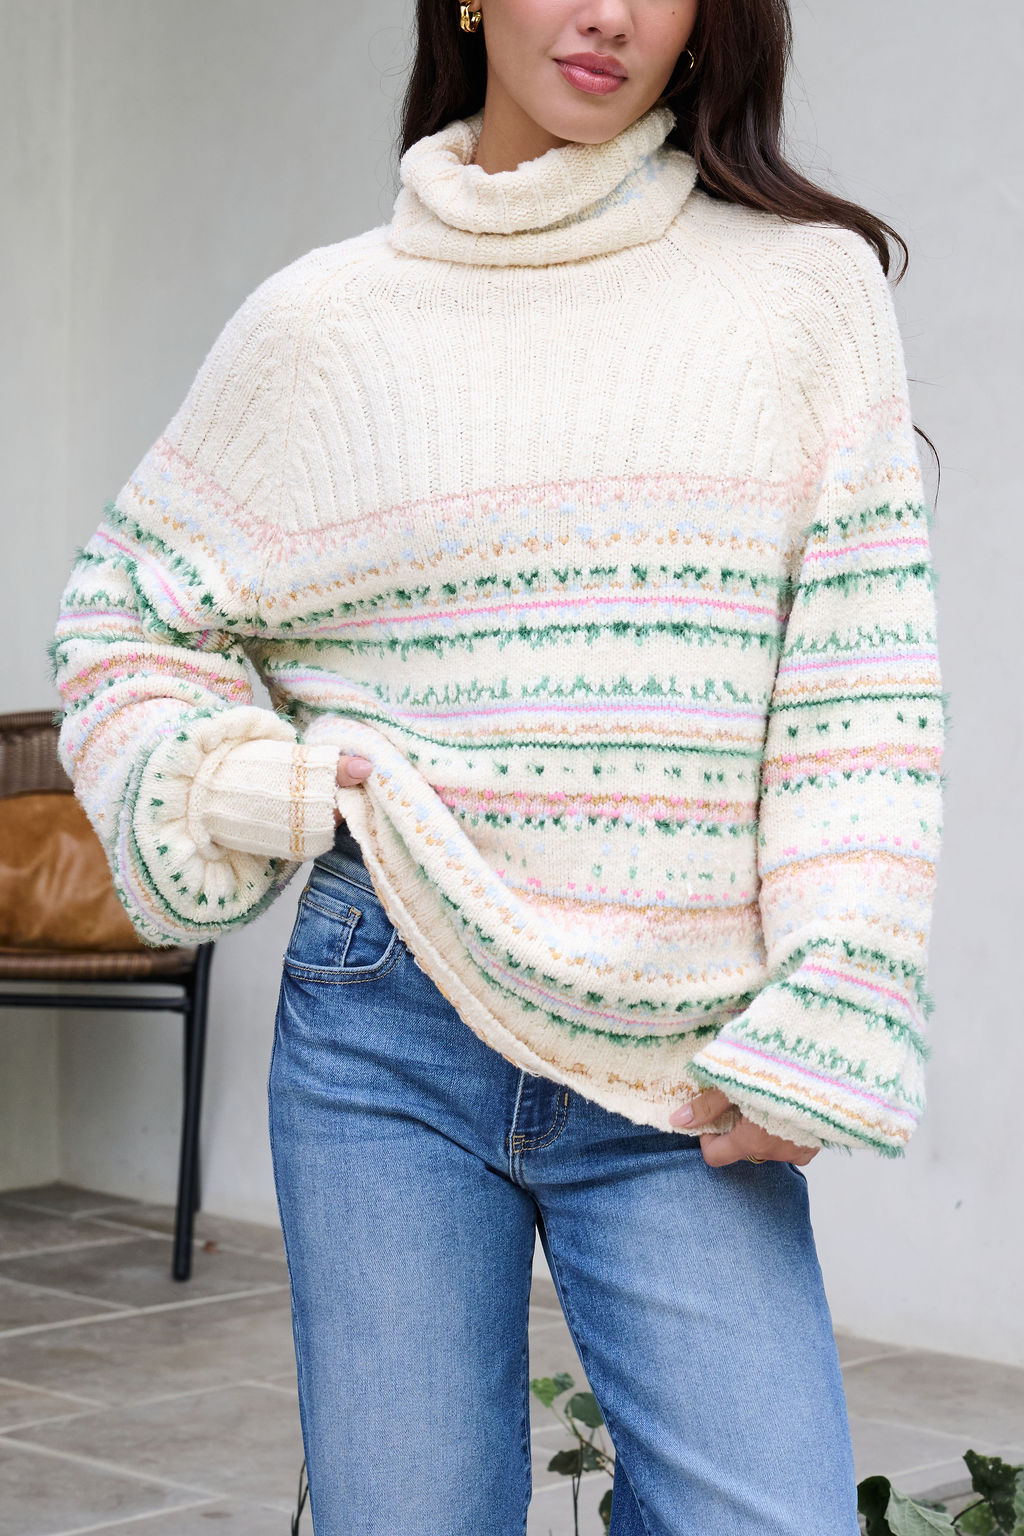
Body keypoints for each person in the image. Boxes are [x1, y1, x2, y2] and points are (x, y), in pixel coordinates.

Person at [51, 0, 944, 1530]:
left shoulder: (803, 294)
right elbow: (122, 615)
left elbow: (858, 687)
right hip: (382, 1016)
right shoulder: (325, 324)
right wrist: (253, 782)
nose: (608, 14)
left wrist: (837, 994)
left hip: (685, 1049)